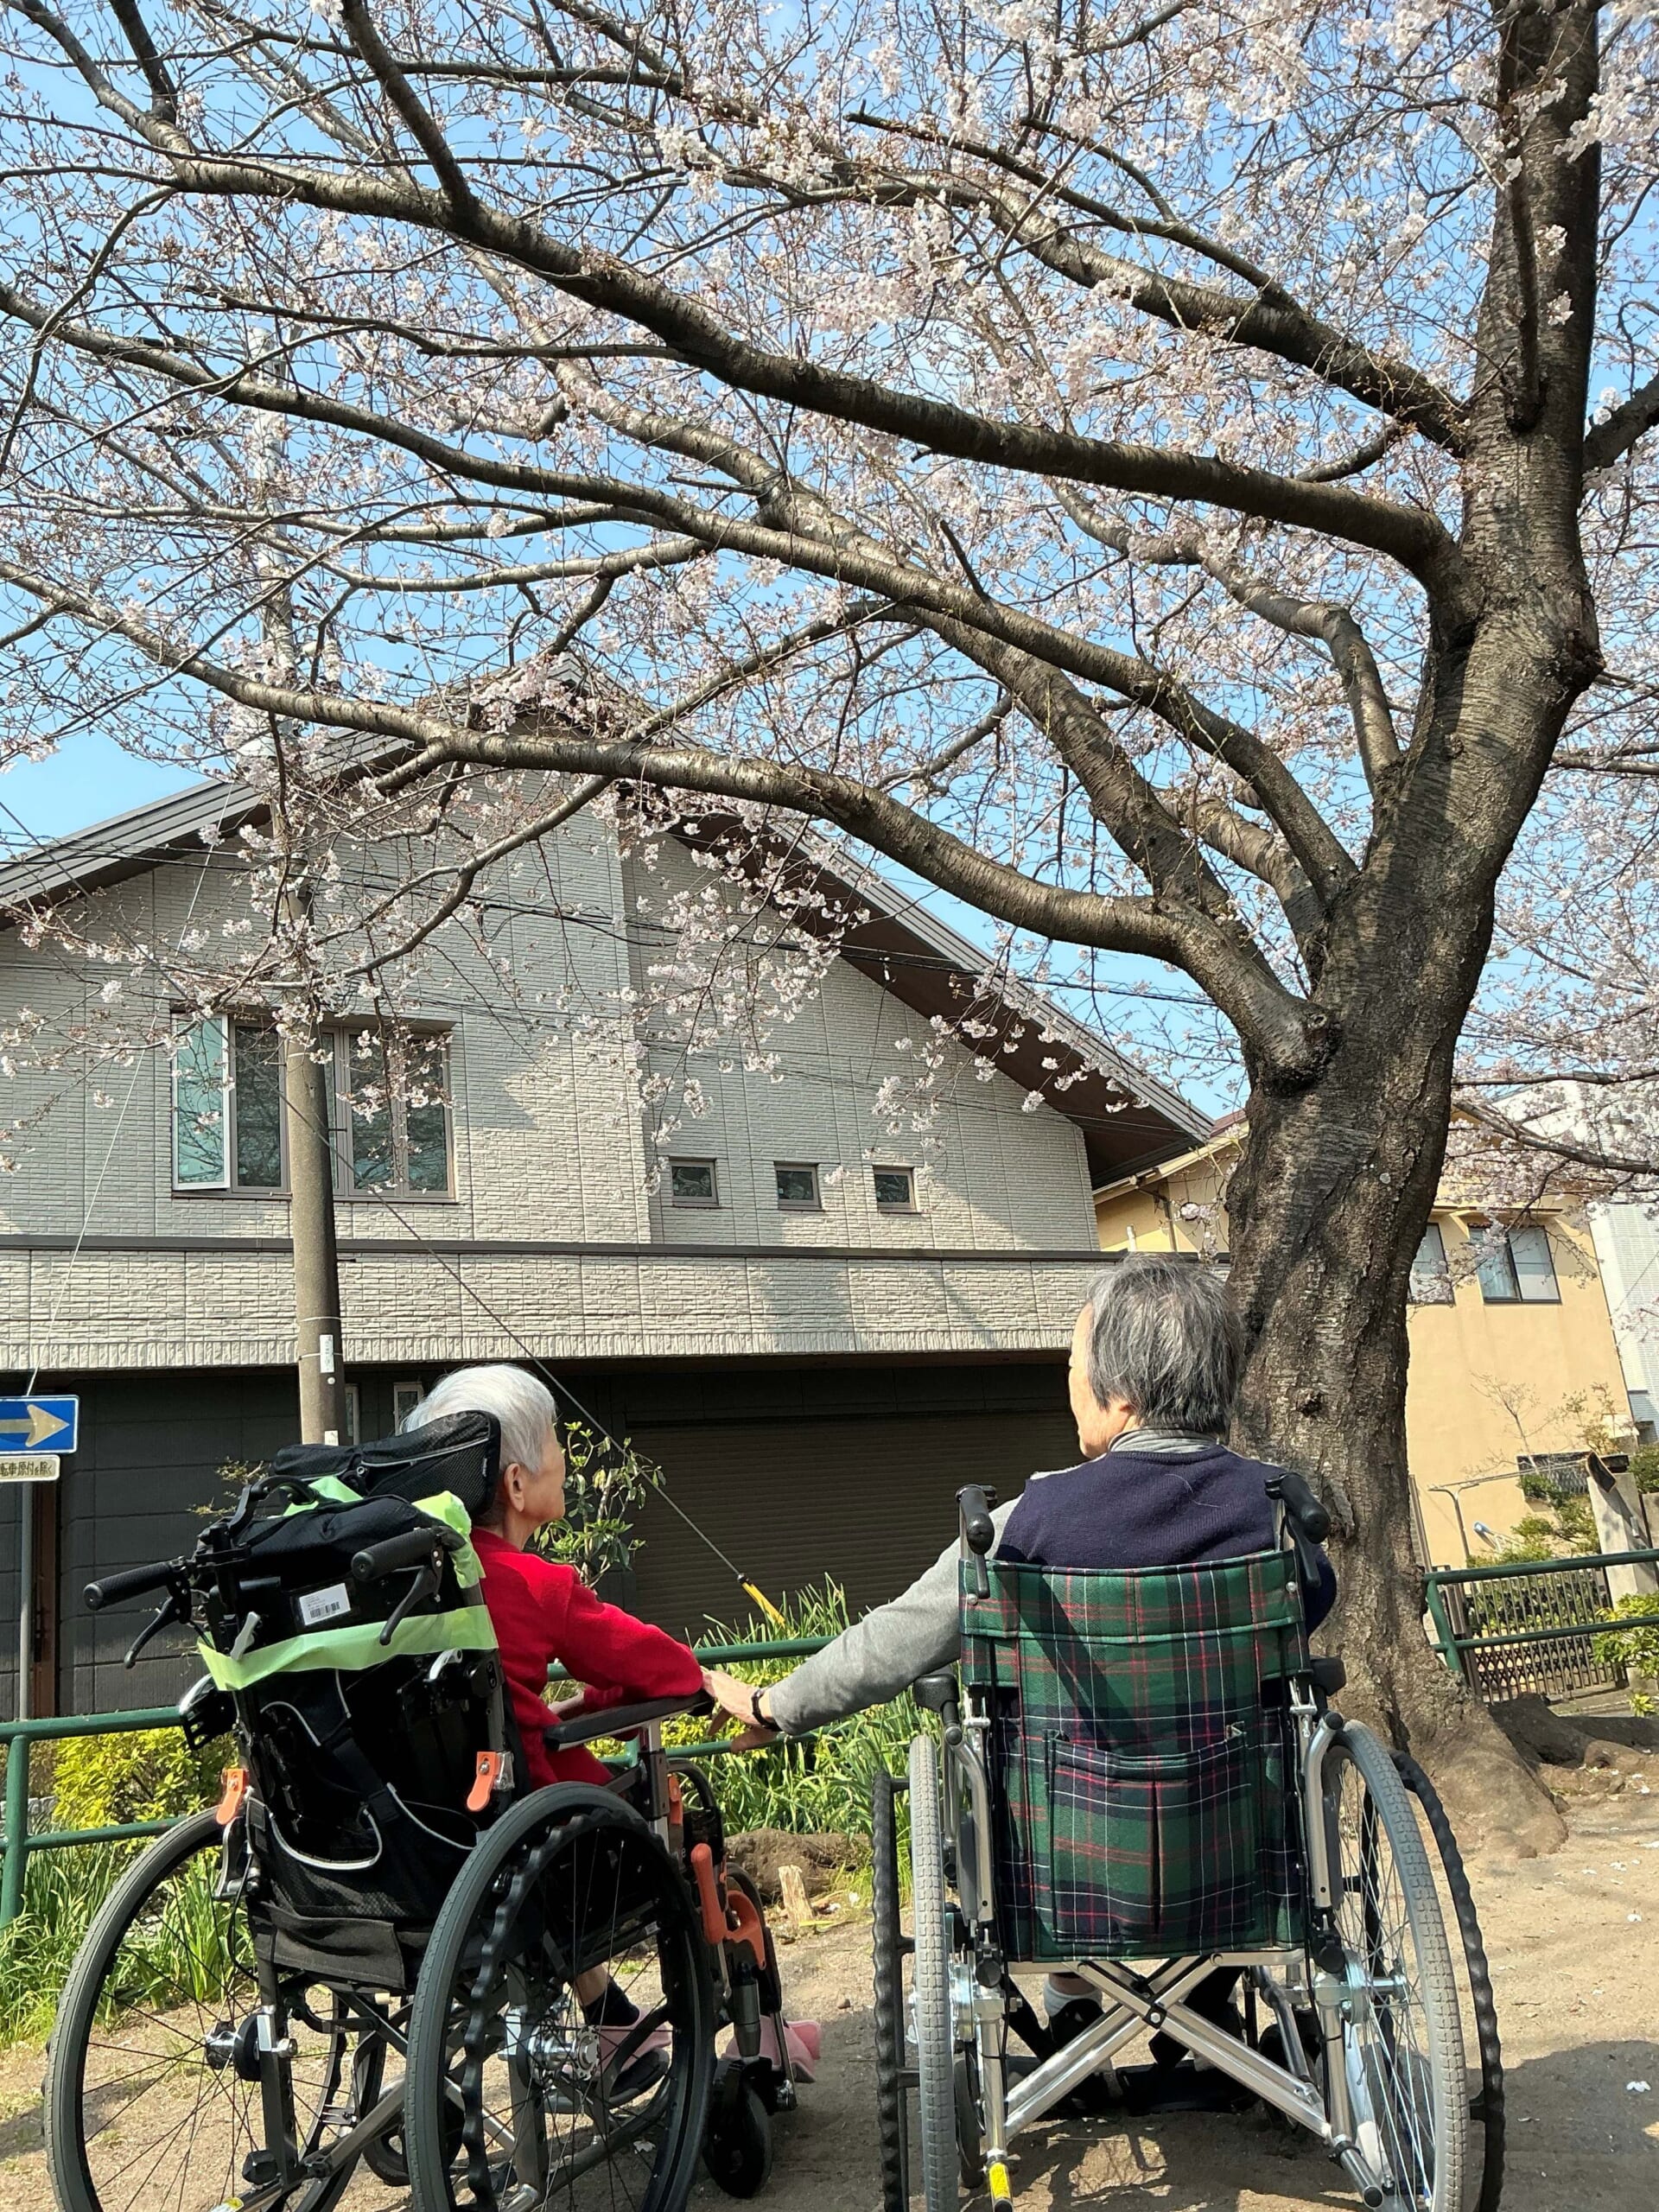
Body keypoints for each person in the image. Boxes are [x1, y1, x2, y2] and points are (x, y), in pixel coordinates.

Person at [702, 1255, 1335, 2067]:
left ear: (1122, 1396)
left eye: (1073, 1370)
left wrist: (771, 1705)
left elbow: (895, 1640)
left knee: (1014, 1760)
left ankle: (1073, 1991)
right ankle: (1213, 1987)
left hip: (1063, 1873)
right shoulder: (1281, 1514)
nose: (1067, 1386)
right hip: (1243, 1863)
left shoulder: (1024, 1526)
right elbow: (1307, 1617)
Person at [403, 1364, 703, 2060]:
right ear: (514, 1483)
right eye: (555, 1441)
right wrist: (680, 1684)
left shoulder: (412, 1584)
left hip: (424, 1840)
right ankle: (745, 2031)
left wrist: (576, 1704)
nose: (565, 1456)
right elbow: (664, 1667)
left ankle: (606, 2015)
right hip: (540, 1840)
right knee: (692, 1830)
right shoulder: (531, 1583)